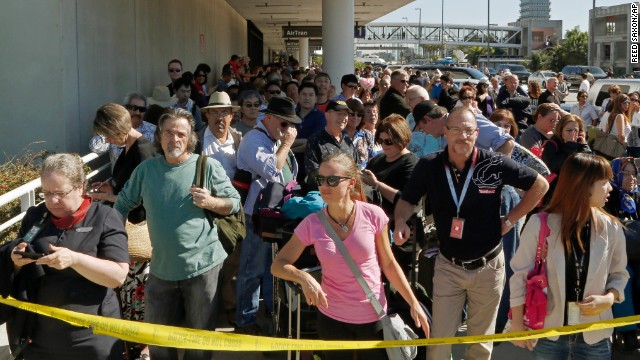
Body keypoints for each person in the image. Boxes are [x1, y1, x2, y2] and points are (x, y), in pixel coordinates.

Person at [394, 107, 548, 360]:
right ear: (445, 133)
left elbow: (540, 184)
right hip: (448, 266)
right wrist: (401, 220)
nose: (462, 136)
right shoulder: (430, 165)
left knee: (479, 346)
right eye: (456, 130)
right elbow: (406, 200)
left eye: (468, 131)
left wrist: (510, 220)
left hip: (488, 267)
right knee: (438, 344)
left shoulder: (493, 163)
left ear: (477, 134)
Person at [271, 153, 430, 360]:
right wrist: (304, 278)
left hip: (372, 316)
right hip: (332, 318)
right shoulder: (313, 223)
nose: (324, 186)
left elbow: (389, 264)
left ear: (351, 183)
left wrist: (414, 303)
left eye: (333, 180)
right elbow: (278, 265)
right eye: (320, 180)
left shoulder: (373, 215)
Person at [114, 109, 241, 359]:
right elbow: (122, 204)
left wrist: (211, 202)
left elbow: (234, 203)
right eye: (169, 132)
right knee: (160, 342)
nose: (175, 139)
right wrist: (114, 244)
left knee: (199, 343)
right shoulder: (146, 170)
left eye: (181, 133)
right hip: (161, 270)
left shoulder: (208, 166)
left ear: (190, 138)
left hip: (203, 268)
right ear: (159, 136)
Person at [5, 153, 129, 359]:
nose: (52, 201)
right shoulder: (36, 216)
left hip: (94, 336)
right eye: (46, 193)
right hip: (41, 337)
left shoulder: (105, 217)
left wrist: (75, 260)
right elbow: (18, 265)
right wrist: (16, 262)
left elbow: (118, 276)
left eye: (60, 193)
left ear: (80, 187)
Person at [509, 153, 628, 359]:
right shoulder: (539, 224)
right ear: (584, 185)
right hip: (549, 335)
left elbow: (619, 274)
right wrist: (517, 325)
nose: (611, 188)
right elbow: (519, 276)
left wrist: (609, 298)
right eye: (604, 182)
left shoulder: (611, 227)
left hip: (595, 336)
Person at [235, 96, 300, 334]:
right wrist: (286, 144)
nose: (288, 130)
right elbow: (273, 170)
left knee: (274, 269)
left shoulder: (275, 139)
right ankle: (245, 321)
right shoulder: (254, 139)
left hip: (277, 215)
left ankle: (273, 316)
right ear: (268, 118)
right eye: (284, 124)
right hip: (257, 216)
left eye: (291, 125)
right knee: (252, 270)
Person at [361, 114, 419, 270]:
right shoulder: (377, 160)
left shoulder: (411, 162)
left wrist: (376, 184)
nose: (384, 145)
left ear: (401, 138)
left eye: (389, 141)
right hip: (373, 226)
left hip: (398, 228)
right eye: (380, 141)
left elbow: (405, 199)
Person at [604, 158, 640, 354]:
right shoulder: (609, 196)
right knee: (625, 276)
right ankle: (627, 332)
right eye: (625, 173)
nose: (631, 178)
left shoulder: (636, 197)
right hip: (614, 255)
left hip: (637, 253)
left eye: (634, 173)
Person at [304, 100, 359, 190]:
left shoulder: (347, 140)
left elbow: (357, 167)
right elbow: (313, 173)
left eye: (345, 115)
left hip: (350, 191)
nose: (343, 118)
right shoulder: (315, 140)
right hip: (326, 192)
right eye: (339, 114)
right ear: (327, 115)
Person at [345, 98, 375, 170]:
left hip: (363, 177)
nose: (355, 117)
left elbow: (373, 160)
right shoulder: (337, 135)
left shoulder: (367, 135)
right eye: (352, 114)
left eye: (359, 115)